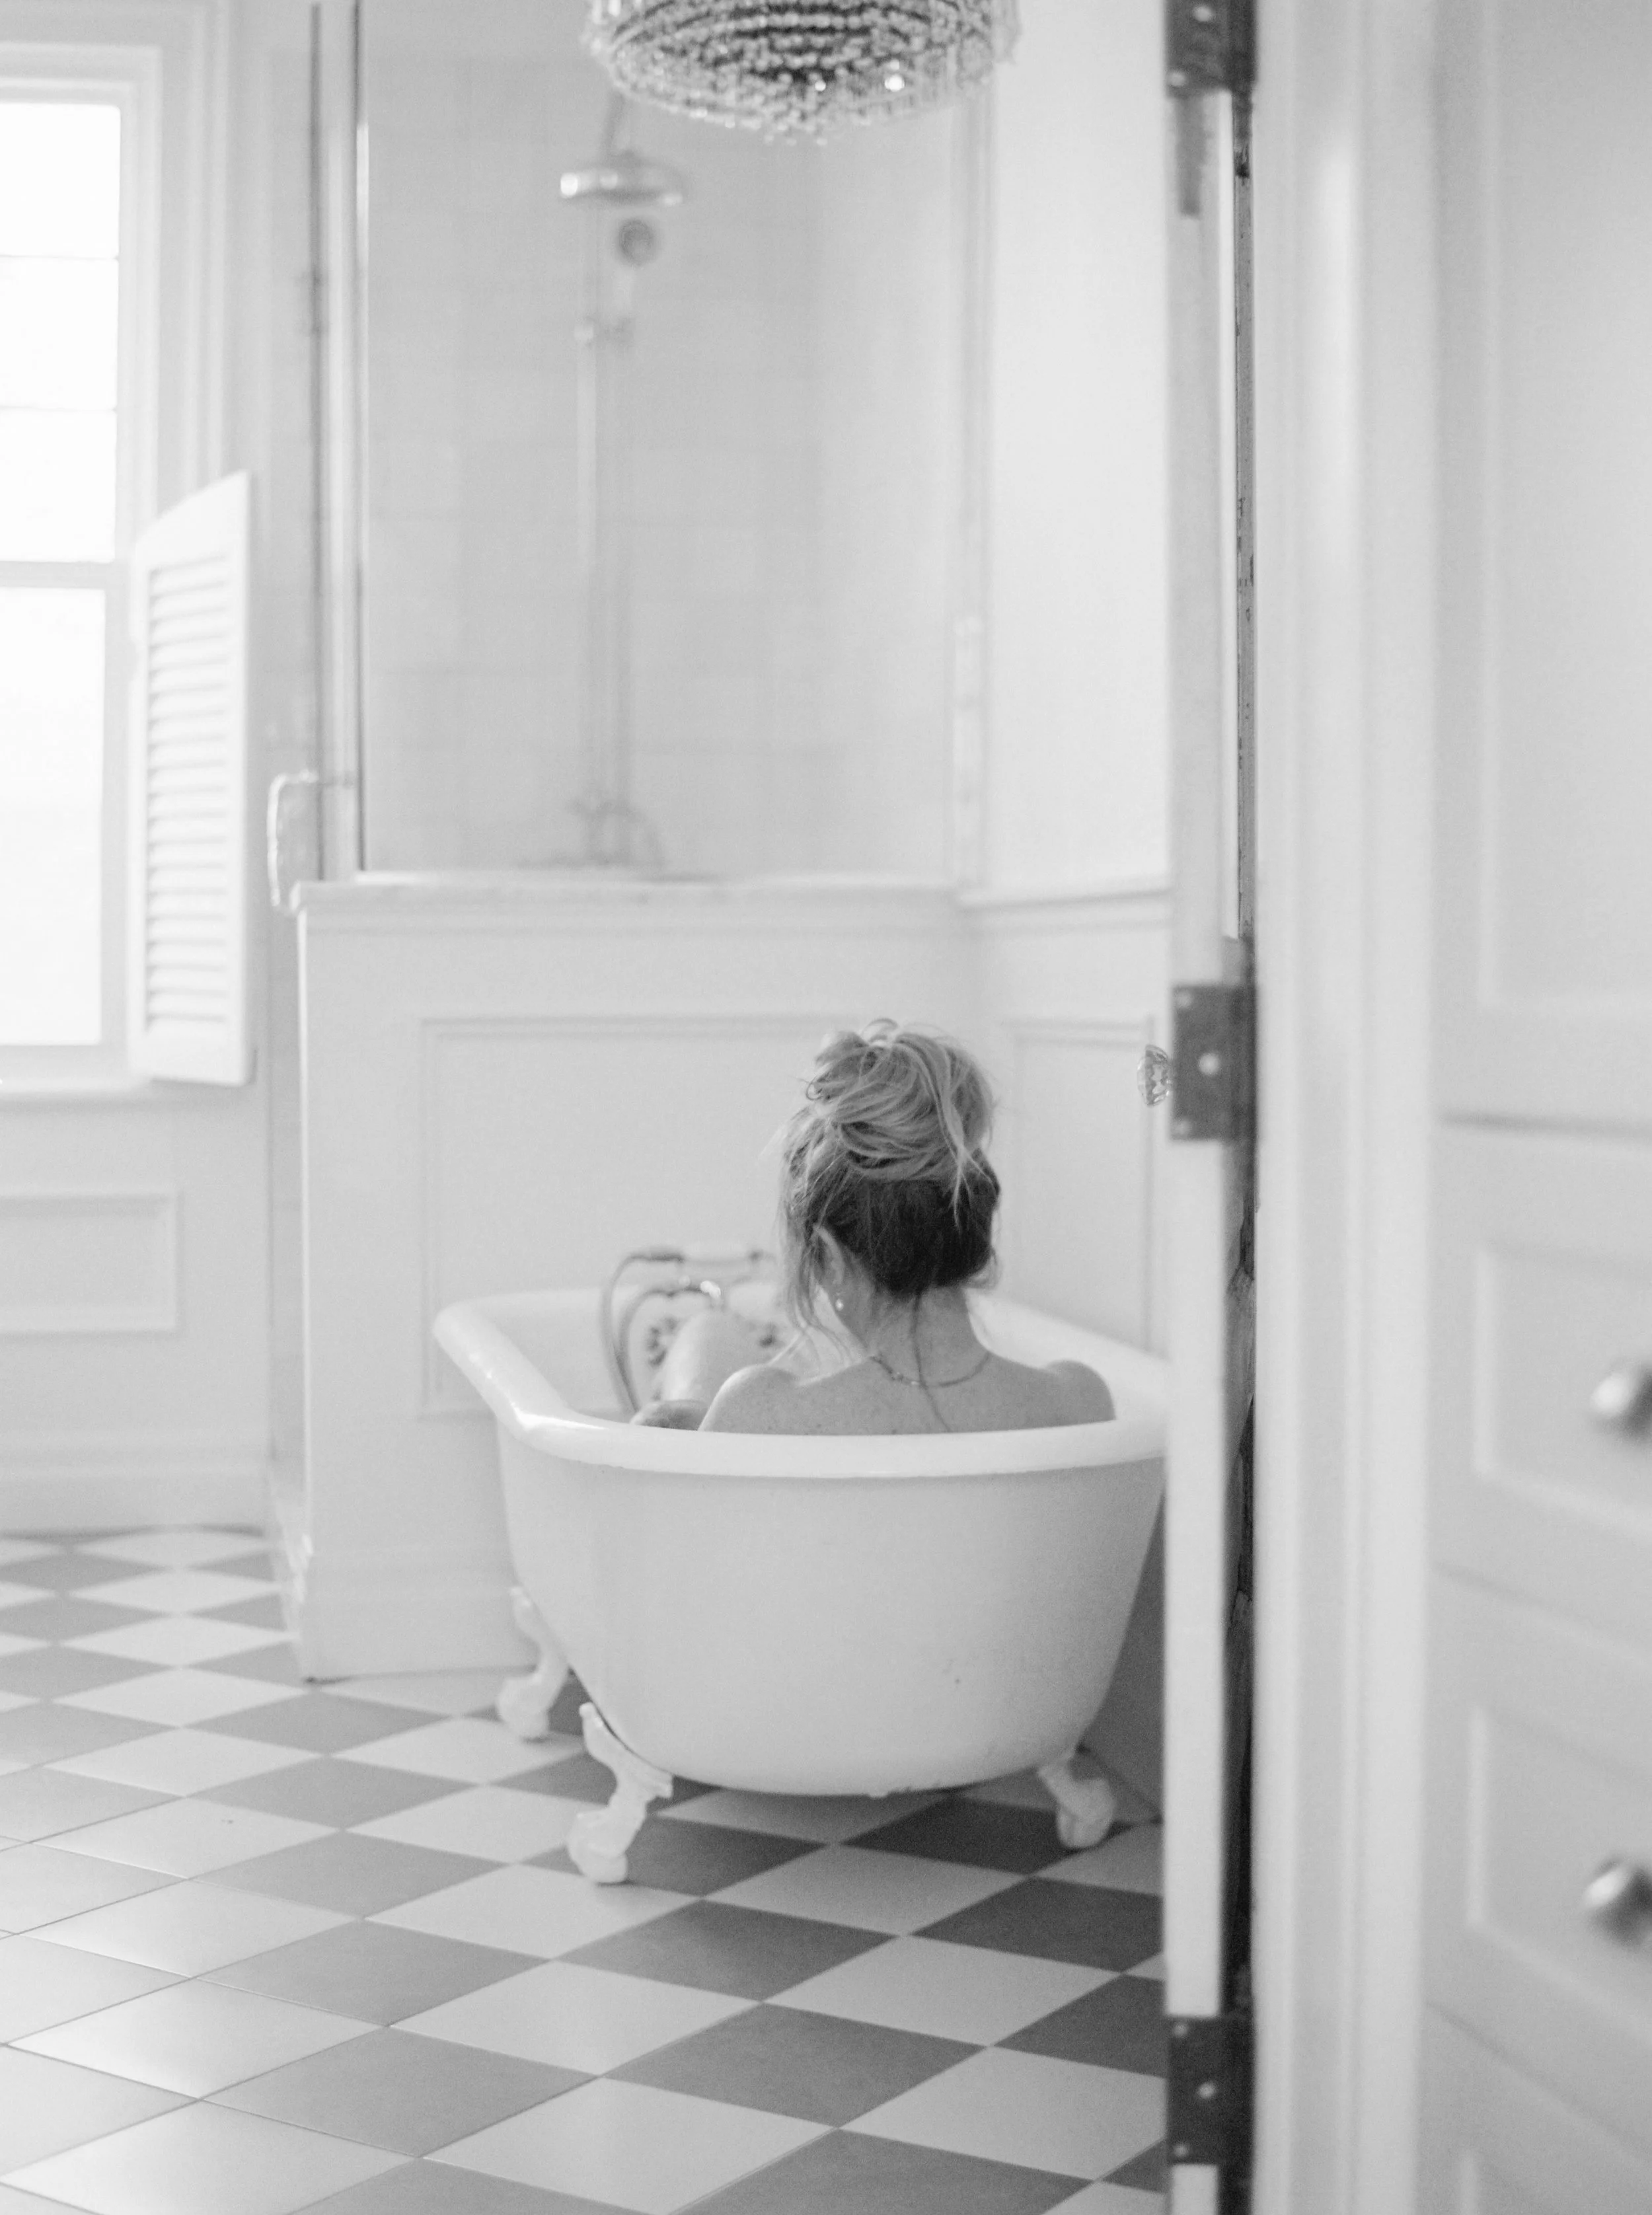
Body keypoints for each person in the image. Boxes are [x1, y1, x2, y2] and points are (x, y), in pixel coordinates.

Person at [635, 1021, 1113, 1435]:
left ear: (830, 1258)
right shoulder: (1080, 1402)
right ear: (978, 1239)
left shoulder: (758, 1412)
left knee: (704, 1342)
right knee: (710, 1335)